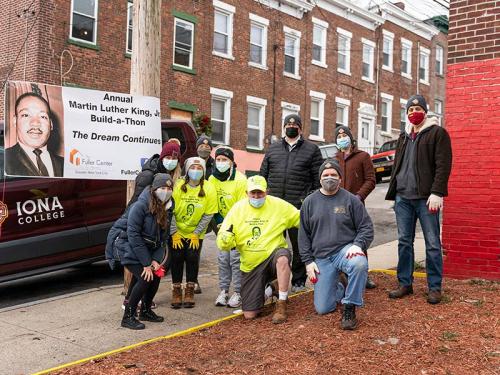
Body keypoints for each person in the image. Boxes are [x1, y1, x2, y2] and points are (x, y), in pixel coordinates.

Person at [386, 95, 452, 305]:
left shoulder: (437, 133)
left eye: (418, 108)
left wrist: (437, 192)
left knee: (432, 243)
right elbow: (398, 165)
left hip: (426, 199)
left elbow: (443, 165)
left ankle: (434, 287)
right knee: (404, 242)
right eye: (410, 108)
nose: (414, 111)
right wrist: (394, 193)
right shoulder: (404, 137)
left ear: (425, 110)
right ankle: (405, 283)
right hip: (403, 198)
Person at [299, 159, 374, 330]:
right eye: (325, 175)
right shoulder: (309, 202)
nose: (329, 178)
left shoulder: (351, 200)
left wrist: (358, 245)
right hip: (321, 257)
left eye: (333, 175)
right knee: (323, 308)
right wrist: (308, 261)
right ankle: (340, 286)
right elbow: (303, 236)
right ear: (320, 179)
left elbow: (366, 227)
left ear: (340, 178)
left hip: (344, 251)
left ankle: (350, 306)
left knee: (359, 263)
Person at [216, 175, 300, 324]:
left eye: (260, 193)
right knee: (249, 314)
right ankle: (271, 288)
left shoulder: (279, 205)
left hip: (272, 256)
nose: (256, 196)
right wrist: (225, 239)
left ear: (266, 191)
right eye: (252, 193)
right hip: (250, 265)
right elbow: (223, 238)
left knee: (283, 258)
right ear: (246, 192)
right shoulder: (237, 209)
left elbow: (301, 219)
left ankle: (281, 303)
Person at [260, 114, 324, 293]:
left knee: (299, 245)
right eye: (288, 124)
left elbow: (317, 180)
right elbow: (262, 176)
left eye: (295, 124)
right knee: (272, 245)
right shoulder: (272, 149)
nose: (291, 126)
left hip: (297, 207)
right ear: (283, 127)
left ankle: (298, 280)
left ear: (301, 128)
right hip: (274, 208)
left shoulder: (312, 150)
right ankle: (272, 282)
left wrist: (307, 199)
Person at [121, 138, 182, 308]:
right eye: (168, 157)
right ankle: (131, 302)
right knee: (143, 267)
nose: (171, 161)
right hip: (142, 228)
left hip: (156, 229)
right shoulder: (148, 175)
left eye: (175, 159)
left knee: (155, 266)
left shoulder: (169, 176)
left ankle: (144, 301)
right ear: (162, 157)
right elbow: (137, 205)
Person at [115, 173, 174, 330]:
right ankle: (128, 316)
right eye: (162, 188)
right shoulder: (140, 206)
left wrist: (155, 260)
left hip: (149, 250)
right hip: (129, 247)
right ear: (154, 189)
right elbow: (133, 235)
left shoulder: (167, 207)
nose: (166, 191)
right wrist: (146, 263)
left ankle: (146, 311)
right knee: (145, 277)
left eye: (169, 188)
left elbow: (163, 238)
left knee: (157, 275)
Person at [170, 157, 217, 308]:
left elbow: (208, 214)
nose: (195, 171)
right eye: (193, 168)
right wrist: (174, 232)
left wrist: (196, 233)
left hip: (196, 232)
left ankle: (190, 289)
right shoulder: (178, 185)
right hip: (177, 230)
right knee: (176, 257)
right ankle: (176, 290)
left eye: (199, 168)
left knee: (192, 257)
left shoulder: (209, 188)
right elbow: (170, 210)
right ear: (187, 169)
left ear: (203, 171)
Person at [335, 125, 377, 289]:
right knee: (340, 238)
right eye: (338, 137)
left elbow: (371, 180)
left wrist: (359, 196)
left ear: (351, 138)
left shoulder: (363, 157)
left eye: (344, 135)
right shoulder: (335, 158)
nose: (342, 138)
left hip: (356, 204)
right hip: (337, 206)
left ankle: (363, 275)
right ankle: (343, 273)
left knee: (359, 239)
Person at [208, 146, 247, 308]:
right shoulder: (212, 179)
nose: (221, 163)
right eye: (218, 160)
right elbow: (212, 203)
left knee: (236, 260)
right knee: (223, 260)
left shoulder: (240, 179)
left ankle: (238, 292)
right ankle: (224, 291)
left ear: (231, 162)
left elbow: (242, 206)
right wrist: (220, 225)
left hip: (237, 225)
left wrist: (230, 226)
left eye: (224, 160)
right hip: (220, 225)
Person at [5, 92, 64, 177]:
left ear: (51, 124)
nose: (35, 123)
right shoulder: (4, 159)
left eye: (43, 116)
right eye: (26, 115)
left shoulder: (67, 165)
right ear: (15, 121)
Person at [192, 134, 215, 294]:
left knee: (228, 243)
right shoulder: (191, 164)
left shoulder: (218, 163)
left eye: (207, 146)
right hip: (198, 210)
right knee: (195, 246)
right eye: (201, 145)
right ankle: (193, 281)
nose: (204, 147)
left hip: (215, 210)